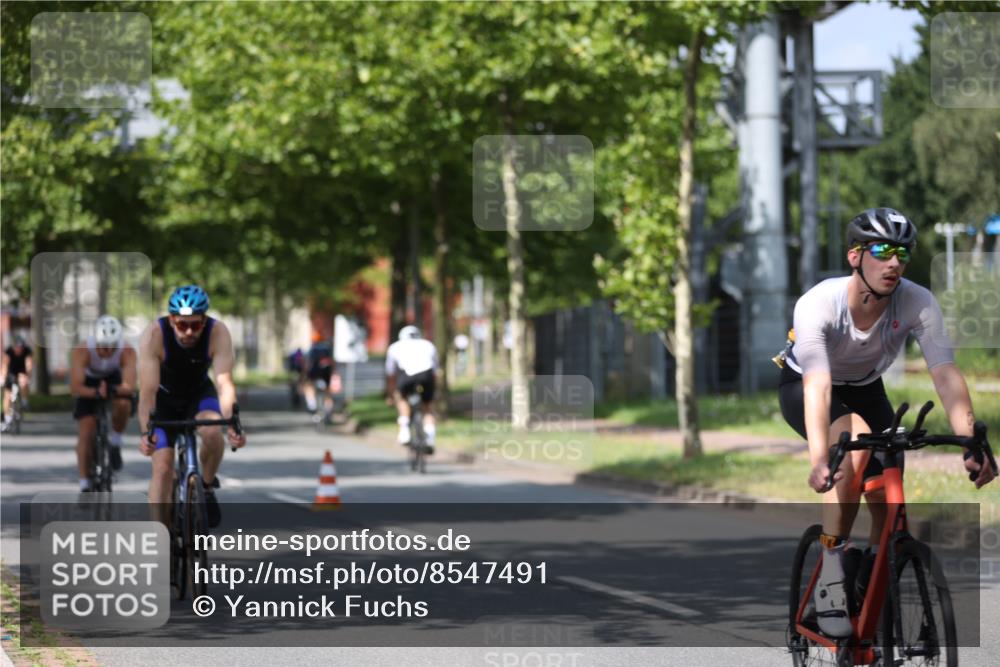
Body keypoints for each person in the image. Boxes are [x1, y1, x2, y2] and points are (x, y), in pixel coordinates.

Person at [776, 208, 996, 637]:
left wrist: (972, 441)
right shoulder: (819, 303)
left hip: (867, 387)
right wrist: (820, 458)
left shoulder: (917, 301)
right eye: (882, 250)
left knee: (889, 486)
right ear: (855, 256)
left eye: (903, 253)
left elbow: (945, 374)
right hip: (807, 383)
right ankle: (832, 574)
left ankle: (872, 578)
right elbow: (818, 388)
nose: (894, 262)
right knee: (853, 442)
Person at [137, 285, 246, 527]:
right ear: (172, 319)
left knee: (212, 432)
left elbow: (224, 383)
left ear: (204, 320)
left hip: (198, 394)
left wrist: (233, 424)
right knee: (163, 467)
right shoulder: (154, 335)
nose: (188, 332)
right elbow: (147, 392)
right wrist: (147, 433)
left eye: (195, 325)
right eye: (182, 325)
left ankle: (206, 489)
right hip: (163, 400)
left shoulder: (218, 333)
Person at [70, 316, 136, 489]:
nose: (107, 351)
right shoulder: (83, 350)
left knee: (124, 404)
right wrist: (95, 392)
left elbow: (129, 386)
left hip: (113, 380)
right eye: (103, 347)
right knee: (87, 430)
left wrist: (113, 391)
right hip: (88, 382)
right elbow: (75, 386)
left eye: (111, 347)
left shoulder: (126, 351)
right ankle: (84, 482)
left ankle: (115, 440)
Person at [385, 325, 439, 452]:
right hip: (426, 375)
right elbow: (435, 370)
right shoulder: (428, 345)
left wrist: (391, 393)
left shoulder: (395, 347)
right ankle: (430, 439)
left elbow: (391, 373)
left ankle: (404, 431)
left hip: (406, 376)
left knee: (401, 398)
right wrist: (435, 389)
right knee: (428, 408)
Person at [2, 334, 33, 430]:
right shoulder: (9, 351)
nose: (19, 349)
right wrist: (3, 377)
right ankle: (7, 418)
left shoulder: (27, 351)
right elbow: (5, 365)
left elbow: (29, 364)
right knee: (7, 395)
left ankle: (24, 401)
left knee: (23, 381)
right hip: (11, 372)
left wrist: (28, 376)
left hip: (22, 371)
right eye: (17, 347)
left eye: (21, 347)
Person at [304, 331, 335, 420]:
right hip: (326, 372)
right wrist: (333, 372)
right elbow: (332, 363)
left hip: (314, 372)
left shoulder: (312, 349)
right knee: (328, 392)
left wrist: (304, 375)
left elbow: (307, 363)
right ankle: (329, 410)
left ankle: (311, 404)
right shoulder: (328, 348)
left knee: (308, 386)